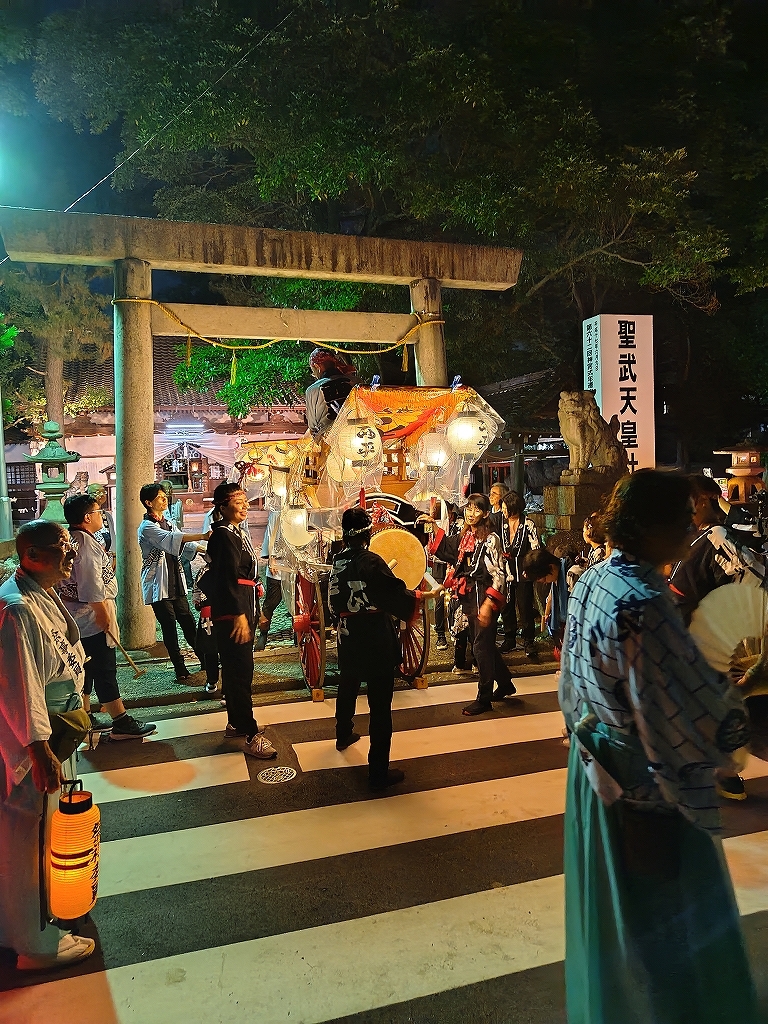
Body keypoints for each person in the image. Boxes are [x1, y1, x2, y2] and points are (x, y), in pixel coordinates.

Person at [559, 470, 758, 1024]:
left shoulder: (594, 579)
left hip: (595, 761)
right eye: (682, 518)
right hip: (644, 779)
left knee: (616, 913)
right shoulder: (647, 603)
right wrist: (732, 704)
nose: (690, 528)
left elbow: (571, 677)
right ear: (652, 527)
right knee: (669, 920)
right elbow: (672, 711)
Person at [0, 520, 96, 970]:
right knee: (29, 835)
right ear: (32, 556)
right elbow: (20, 687)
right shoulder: (18, 608)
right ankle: (34, 944)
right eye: (62, 546)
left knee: (33, 832)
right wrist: (39, 750)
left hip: (53, 727)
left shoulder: (37, 591)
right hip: (34, 740)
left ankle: (20, 925)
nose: (71, 553)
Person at [668, 473, 767, 801]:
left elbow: (753, 578)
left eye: (687, 500)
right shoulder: (700, 538)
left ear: (701, 501)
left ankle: (723, 772)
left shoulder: (716, 538)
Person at [329, 507, 421, 790]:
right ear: (368, 534)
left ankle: (343, 733)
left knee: (348, 684)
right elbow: (393, 594)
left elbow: (334, 601)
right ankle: (378, 772)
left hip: (348, 635)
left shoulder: (338, 561)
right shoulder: (371, 561)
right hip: (374, 638)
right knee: (380, 706)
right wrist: (415, 597)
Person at [60, 494, 156, 739]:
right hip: (91, 616)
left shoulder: (74, 539)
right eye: (98, 511)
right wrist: (102, 615)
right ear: (87, 517)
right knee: (104, 669)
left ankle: (86, 715)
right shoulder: (85, 545)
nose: (101, 516)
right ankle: (120, 721)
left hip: (78, 617)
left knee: (86, 668)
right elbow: (91, 585)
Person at [424, 493, 513, 715]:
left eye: (476, 510)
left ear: (485, 513)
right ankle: (505, 683)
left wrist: (488, 603)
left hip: (485, 595)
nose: (471, 514)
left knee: (480, 647)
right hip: (470, 595)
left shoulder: (491, 539)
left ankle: (484, 699)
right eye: (469, 509)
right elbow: (447, 548)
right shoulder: (466, 535)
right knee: (482, 643)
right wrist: (433, 526)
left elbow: (499, 574)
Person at [207, 483, 277, 759]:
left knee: (236, 671)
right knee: (240, 672)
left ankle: (236, 723)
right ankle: (250, 734)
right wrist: (238, 615)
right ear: (223, 506)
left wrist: (253, 611)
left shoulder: (235, 532)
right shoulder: (223, 535)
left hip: (243, 605)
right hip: (233, 612)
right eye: (239, 501)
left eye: (246, 500)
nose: (246, 505)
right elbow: (227, 578)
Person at [138, 482, 209, 680]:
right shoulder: (147, 527)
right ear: (148, 502)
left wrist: (204, 549)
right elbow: (171, 539)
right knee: (169, 628)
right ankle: (179, 667)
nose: (164, 499)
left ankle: (204, 659)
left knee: (188, 622)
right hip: (158, 584)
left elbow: (181, 541)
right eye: (160, 497)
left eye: (164, 496)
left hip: (175, 581)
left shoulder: (168, 522)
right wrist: (203, 536)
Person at [498, 491, 540, 657]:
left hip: (523, 571)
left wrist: (530, 569)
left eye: (505, 508)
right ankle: (509, 638)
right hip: (506, 571)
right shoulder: (500, 523)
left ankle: (529, 640)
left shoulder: (528, 524)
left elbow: (535, 549)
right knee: (507, 607)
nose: (503, 511)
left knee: (525, 606)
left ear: (513, 507)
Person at [304, 348, 358, 439]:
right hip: (357, 434)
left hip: (330, 440)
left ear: (317, 366)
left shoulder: (313, 390)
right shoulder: (356, 382)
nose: (314, 374)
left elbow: (313, 426)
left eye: (312, 370)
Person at [256, 507, 285, 652]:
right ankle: (263, 633)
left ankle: (298, 634)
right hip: (278, 562)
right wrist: (272, 557)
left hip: (297, 562)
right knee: (271, 601)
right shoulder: (276, 512)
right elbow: (271, 532)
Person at [87, 481, 115, 554]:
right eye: (97, 492)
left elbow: (112, 535)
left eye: (103, 492)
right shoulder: (87, 515)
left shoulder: (107, 515)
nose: (101, 495)